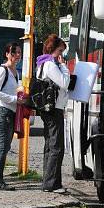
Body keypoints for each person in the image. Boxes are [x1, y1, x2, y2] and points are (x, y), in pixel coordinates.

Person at [36, 34, 70, 194]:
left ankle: (48, 181)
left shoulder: (42, 63)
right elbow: (64, 83)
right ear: (53, 50)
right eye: (60, 51)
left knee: (50, 145)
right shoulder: (51, 65)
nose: (61, 55)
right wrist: (64, 67)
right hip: (54, 109)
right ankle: (52, 184)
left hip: (48, 108)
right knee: (56, 147)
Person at [0, 42, 23, 191]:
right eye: (14, 53)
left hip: (11, 112)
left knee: (6, 146)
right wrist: (15, 99)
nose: (17, 56)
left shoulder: (15, 72)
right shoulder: (2, 70)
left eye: (19, 53)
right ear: (7, 54)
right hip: (2, 111)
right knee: (3, 146)